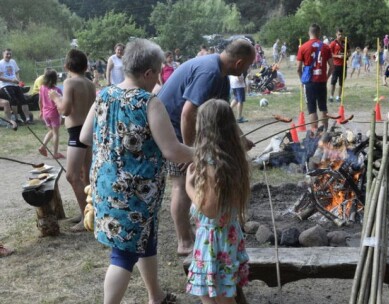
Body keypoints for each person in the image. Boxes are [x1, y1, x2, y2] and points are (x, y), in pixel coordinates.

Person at [80, 38, 193, 304]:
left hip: (106, 184)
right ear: (148, 73)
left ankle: (156, 296)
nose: (159, 79)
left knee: (145, 240)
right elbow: (172, 150)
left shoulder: (104, 95)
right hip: (134, 194)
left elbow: (85, 136)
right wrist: (205, 152)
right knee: (123, 255)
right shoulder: (148, 102)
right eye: (158, 72)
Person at [158, 39, 255, 256]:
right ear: (239, 63)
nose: (247, 70)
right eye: (248, 66)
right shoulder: (210, 73)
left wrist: (241, 138)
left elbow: (224, 115)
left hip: (184, 126)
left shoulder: (222, 76)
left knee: (195, 178)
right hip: (171, 128)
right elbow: (186, 114)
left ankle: (195, 231)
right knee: (181, 184)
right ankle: (184, 241)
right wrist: (189, 153)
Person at [185, 98, 250, 304]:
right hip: (225, 236)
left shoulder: (213, 165)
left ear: (205, 128)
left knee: (215, 296)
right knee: (218, 294)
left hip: (214, 242)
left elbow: (210, 210)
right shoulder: (233, 157)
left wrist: (189, 186)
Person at [49, 49, 96, 232]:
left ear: (66, 66)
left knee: (72, 176)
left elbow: (66, 110)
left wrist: (55, 98)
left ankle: (87, 217)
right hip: (89, 130)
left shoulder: (69, 82)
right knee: (86, 176)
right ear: (85, 66)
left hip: (77, 133)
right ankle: (88, 210)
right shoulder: (90, 83)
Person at [297, 23, 334, 132]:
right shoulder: (326, 47)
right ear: (319, 33)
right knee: (323, 107)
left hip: (309, 81)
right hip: (321, 80)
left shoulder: (303, 47)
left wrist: (302, 80)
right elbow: (332, 66)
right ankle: (326, 132)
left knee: (312, 109)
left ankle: (314, 132)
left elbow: (298, 68)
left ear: (309, 33)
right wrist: (326, 77)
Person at [0, 48, 33, 125]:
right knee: (13, 100)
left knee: (23, 100)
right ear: (3, 54)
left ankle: (28, 119)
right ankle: (16, 118)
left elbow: (17, 72)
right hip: (5, 85)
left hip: (15, 84)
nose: (9, 55)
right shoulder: (0, 63)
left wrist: (18, 80)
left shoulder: (13, 61)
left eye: (10, 54)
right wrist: (11, 81)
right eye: (7, 54)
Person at [38, 69, 64, 159]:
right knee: (56, 133)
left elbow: (40, 101)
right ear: (55, 79)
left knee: (51, 131)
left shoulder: (42, 88)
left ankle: (42, 147)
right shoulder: (57, 90)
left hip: (45, 113)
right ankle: (55, 153)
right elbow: (60, 104)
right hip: (54, 114)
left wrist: (41, 111)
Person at [329, 29, 347, 103]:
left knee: (341, 82)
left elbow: (349, 52)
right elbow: (330, 54)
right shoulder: (333, 43)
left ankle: (338, 97)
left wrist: (346, 55)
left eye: (341, 34)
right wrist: (338, 56)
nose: (340, 36)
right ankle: (331, 96)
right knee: (333, 81)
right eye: (339, 34)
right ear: (336, 34)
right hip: (336, 65)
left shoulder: (345, 43)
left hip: (343, 65)